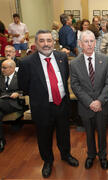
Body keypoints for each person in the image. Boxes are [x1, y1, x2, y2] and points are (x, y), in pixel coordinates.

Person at [18, 30, 79, 178]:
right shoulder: (26, 62)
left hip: (62, 104)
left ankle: (66, 155)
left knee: (64, 133)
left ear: (54, 42)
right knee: (44, 136)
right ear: (36, 43)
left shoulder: (62, 57)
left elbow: (65, 77)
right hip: (42, 107)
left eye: (49, 41)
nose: (46, 44)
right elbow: (23, 86)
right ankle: (48, 161)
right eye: (42, 41)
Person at [70, 30, 108, 170]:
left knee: (102, 132)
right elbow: (75, 86)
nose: (89, 44)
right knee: (88, 133)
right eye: (86, 41)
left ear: (96, 42)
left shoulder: (105, 60)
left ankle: (103, 156)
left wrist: (99, 101)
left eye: (92, 41)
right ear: (80, 44)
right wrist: (90, 102)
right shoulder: (75, 64)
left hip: (102, 105)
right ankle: (91, 155)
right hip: (85, 106)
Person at [0, 59, 23, 153]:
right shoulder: (1, 77)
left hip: (13, 103)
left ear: (12, 68)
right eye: (1, 67)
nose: (2, 70)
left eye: (4, 68)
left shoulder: (20, 77)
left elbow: (26, 89)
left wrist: (18, 93)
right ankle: (1, 140)